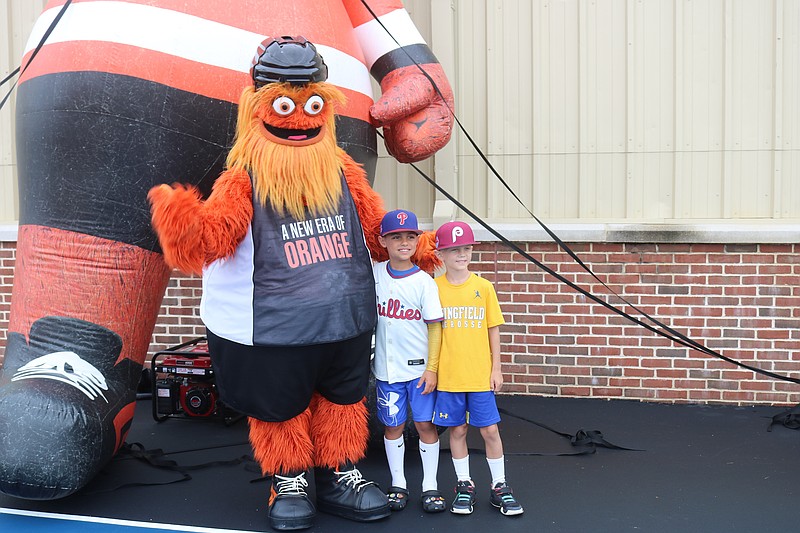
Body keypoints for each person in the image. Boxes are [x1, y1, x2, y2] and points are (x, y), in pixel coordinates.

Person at [432, 221, 524, 517]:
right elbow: (432, 334)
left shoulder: (484, 287)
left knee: (489, 430)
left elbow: (493, 329)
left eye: (467, 248)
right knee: (457, 430)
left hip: (479, 374)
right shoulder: (434, 289)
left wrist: (496, 368)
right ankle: (464, 485)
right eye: (454, 249)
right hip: (449, 375)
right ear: (441, 254)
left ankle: (500, 486)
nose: (462, 254)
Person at [372, 209, 447, 513]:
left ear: (418, 240)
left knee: (425, 424)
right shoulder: (375, 273)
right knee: (392, 427)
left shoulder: (424, 282)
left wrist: (432, 368)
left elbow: (435, 327)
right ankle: (398, 483)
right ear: (383, 240)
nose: (404, 242)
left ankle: (430, 485)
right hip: (386, 370)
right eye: (396, 236)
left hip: (418, 371)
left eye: (410, 236)